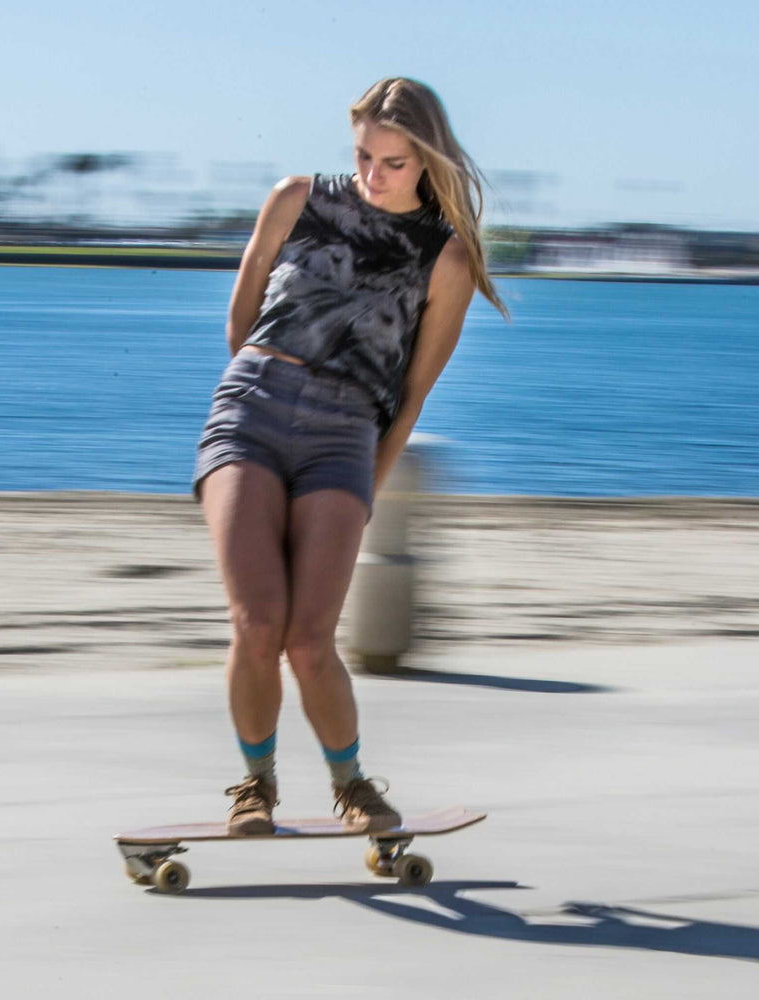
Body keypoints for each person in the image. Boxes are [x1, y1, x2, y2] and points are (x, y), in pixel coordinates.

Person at [192, 77, 508, 836]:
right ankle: (254, 787)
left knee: (308, 639)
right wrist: (264, 385)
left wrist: (369, 479)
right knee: (257, 621)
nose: (372, 174)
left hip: (346, 434)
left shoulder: (446, 259)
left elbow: (414, 395)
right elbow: (242, 317)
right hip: (252, 412)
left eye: (394, 163)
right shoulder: (295, 199)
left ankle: (351, 786)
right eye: (364, 154)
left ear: (428, 161)